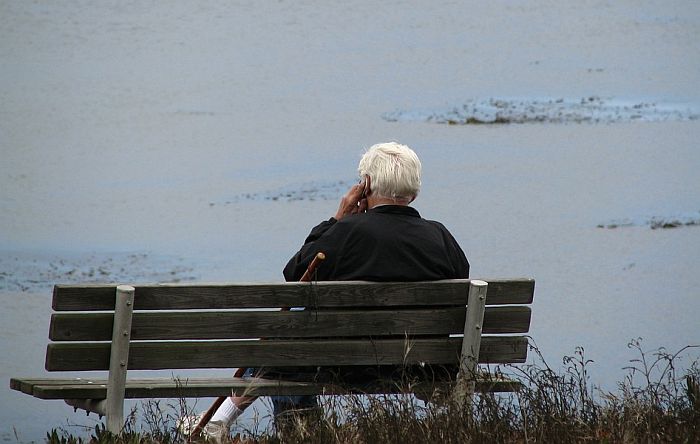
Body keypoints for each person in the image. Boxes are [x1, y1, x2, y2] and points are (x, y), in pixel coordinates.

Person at [183, 141, 469, 439]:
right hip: (417, 367)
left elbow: (294, 275)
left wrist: (337, 218)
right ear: (414, 191)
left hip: (340, 365)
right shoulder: (441, 237)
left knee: (290, 330)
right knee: (293, 330)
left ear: (366, 185)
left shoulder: (347, 233)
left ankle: (260, 426)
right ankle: (226, 420)